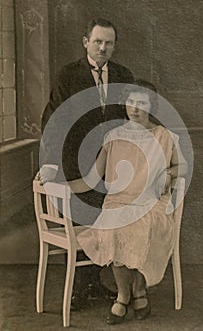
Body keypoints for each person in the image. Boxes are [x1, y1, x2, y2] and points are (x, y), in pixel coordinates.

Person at [67, 80, 188, 324]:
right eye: (131, 102)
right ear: (125, 104)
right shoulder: (114, 136)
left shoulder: (164, 136)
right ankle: (124, 295)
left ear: (150, 106)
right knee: (116, 227)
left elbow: (183, 165)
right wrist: (57, 180)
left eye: (141, 103)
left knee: (142, 226)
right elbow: (91, 179)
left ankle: (139, 292)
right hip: (118, 202)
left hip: (152, 203)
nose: (135, 108)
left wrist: (169, 173)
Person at [38, 18, 134, 305]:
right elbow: (54, 120)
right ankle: (83, 285)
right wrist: (51, 162)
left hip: (114, 163)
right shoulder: (68, 75)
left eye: (109, 43)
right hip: (76, 162)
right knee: (84, 218)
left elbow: (132, 117)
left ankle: (102, 282)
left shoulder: (124, 74)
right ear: (86, 42)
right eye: (98, 42)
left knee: (108, 221)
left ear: (114, 45)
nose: (103, 47)